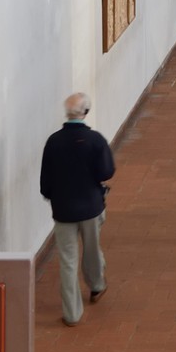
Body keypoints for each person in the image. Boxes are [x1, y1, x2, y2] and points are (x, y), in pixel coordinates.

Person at [39, 92, 115, 326]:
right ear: (86, 113)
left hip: (63, 210)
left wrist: (53, 197)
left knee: (67, 260)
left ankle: (71, 314)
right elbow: (106, 172)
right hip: (91, 207)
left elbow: (46, 180)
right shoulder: (95, 140)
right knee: (92, 249)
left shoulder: (54, 141)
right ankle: (96, 286)